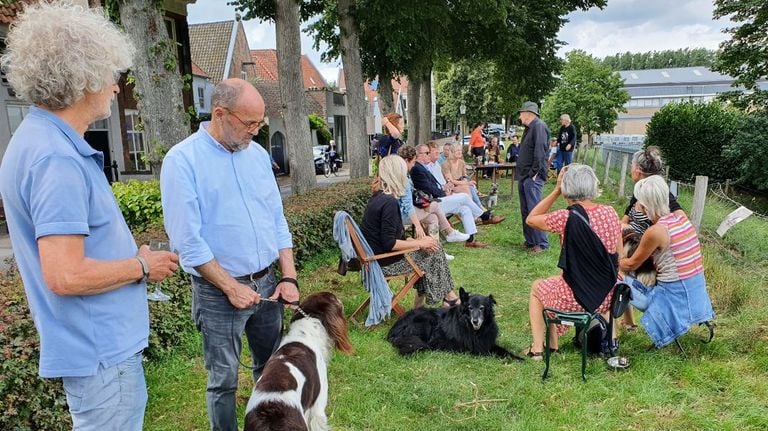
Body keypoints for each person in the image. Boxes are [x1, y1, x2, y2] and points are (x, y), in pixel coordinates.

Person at [0, 3, 179, 430]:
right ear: (84, 78)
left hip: (97, 353)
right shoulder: (55, 158)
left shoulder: (39, 141)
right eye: (112, 74)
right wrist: (141, 265)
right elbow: (65, 275)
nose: (117, 87)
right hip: (102, 355)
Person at [161, 78, 299, 431]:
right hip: (217, 294)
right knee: (223, 380)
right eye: (250, 123)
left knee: (270, 369)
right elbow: (188, 243)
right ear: (220, 113)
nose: (256, 131)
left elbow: (276, 220)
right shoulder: (182, 161)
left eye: (259, 123)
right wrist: (230, 288)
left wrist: (288, 275)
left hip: (267, 284)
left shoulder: (257, 156)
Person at [523, 165, 622, 359]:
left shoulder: (565, 217)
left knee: (538, 288)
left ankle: (538, 348)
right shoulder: (611, 212)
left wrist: (556, 190)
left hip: (577, 299)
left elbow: (531, 219)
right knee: (555, 282)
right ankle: (557, 341)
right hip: (608, 295)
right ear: (593, 185)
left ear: (567, 188)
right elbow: (618, 255)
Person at [619, 175, 715, 348]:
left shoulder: (656, 231)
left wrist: (612, 256)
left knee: (615, 275)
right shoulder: (683, 220)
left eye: (639, 203)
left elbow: (630, 264)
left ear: (646, 206)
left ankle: (611, 335)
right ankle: (628, 323)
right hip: (696, 297)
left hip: (672, 300)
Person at [361, 155, 461, 308]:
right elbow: (390, 243)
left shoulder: (379, 197)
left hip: (377, 260)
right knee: (434, 251)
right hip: (385, 264)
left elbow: (390, 237)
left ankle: (436, 302)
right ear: (397, 175)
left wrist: (419, 242)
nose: (407, 176)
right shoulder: (389, 202)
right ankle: (449, 298)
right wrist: (420, 243)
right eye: (404, 172)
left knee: (431, 248)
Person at [619, 146, 685, 330]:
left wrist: (654, 239)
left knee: (615, 269)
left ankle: (612, 324)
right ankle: (628, 321)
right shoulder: (639, 190)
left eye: (631, 165)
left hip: (648, 254)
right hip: (635, 244)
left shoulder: (659, 193)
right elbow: (627, 216)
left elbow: (680, 220)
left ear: (637, 170)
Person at [411, 144, 504, 248]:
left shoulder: (425, 167)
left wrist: (445, 187)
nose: (429, 155)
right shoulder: (417, 169)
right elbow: (429, 189)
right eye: (427, 153)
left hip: (438, 198)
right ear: (418, 155)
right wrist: (444, 191)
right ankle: (485, 216)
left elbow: (434, 186)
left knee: (465, 208)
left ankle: (471, 240)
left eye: (429, 152)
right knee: (464, 196)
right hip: (433, 203)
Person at [396, 145, 470, 261]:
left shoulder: (404, 174)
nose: (414, 165)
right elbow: (407, 205)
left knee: (433, 218)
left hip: (405, 212)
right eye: (413, 162)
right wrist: (418, 225)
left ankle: (436, 251)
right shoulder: (402, 177)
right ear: (406, 161)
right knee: (435, 205)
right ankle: (450, 233)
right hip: (401, 215)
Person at [517, 101, 551, 253]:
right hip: (524, 176)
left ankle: (541, 243)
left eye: (521, 113)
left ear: (528, 113)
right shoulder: (529, 128)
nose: (519, 116)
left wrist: (534, 174)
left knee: (535, 209)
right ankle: (531, 240)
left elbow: (540, 152)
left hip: (532, 177)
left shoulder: (539, 126)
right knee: (526, 210)